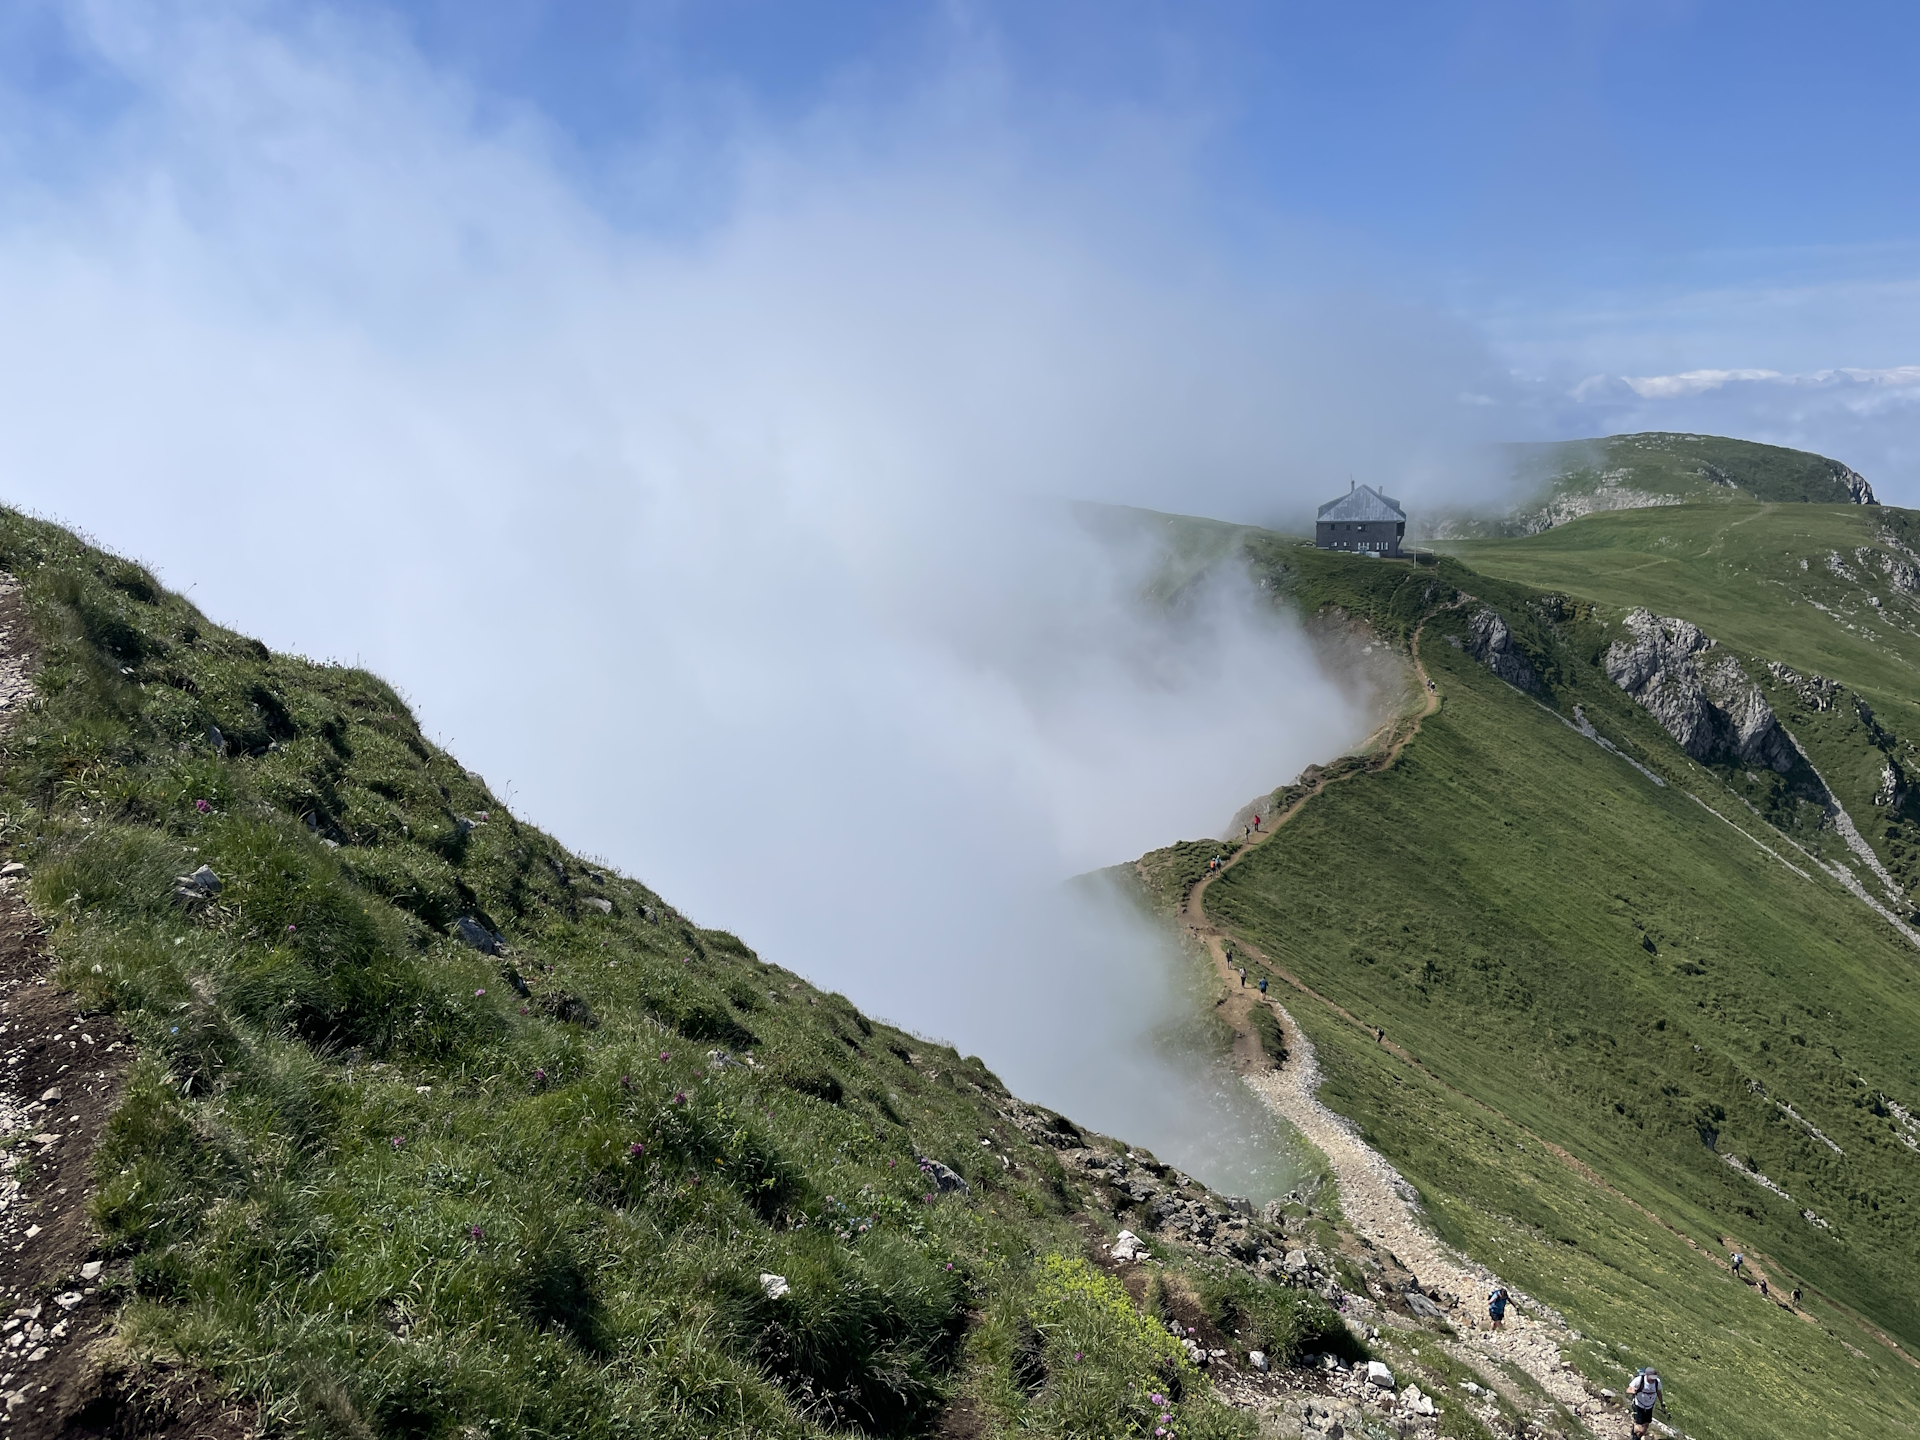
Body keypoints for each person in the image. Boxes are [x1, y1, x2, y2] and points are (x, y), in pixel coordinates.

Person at [1626, 1366, 1665, 1436]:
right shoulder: (1639, 1380)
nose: (1653, 1380)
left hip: (1649, 1406)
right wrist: (1632, 1391)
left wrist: (1662, 1403)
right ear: (1646, 1375)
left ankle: (1635, 1430)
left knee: (1646, 1424)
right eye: (1651, 1378)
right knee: (1641, 1429)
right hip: (1639, 1405)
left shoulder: (1657, 1382)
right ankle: (1635, 1435)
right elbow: (1628, 1389)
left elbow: (1659, 1393)